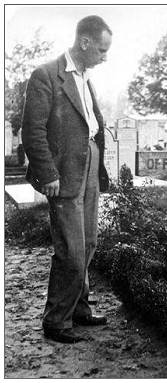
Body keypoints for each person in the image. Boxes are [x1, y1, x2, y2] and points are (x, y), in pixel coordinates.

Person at [22, 15, 112, 343]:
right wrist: (47, 173)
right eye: (102, 49)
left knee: (88, 243)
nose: (106, 56)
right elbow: (32, 131)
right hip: (63, 174)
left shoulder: (85, 77)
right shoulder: (46, 75)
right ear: (84, 42)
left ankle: (79, 309)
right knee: (71, 250)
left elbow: (90, 124)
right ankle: (56, 320)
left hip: (88, 166)